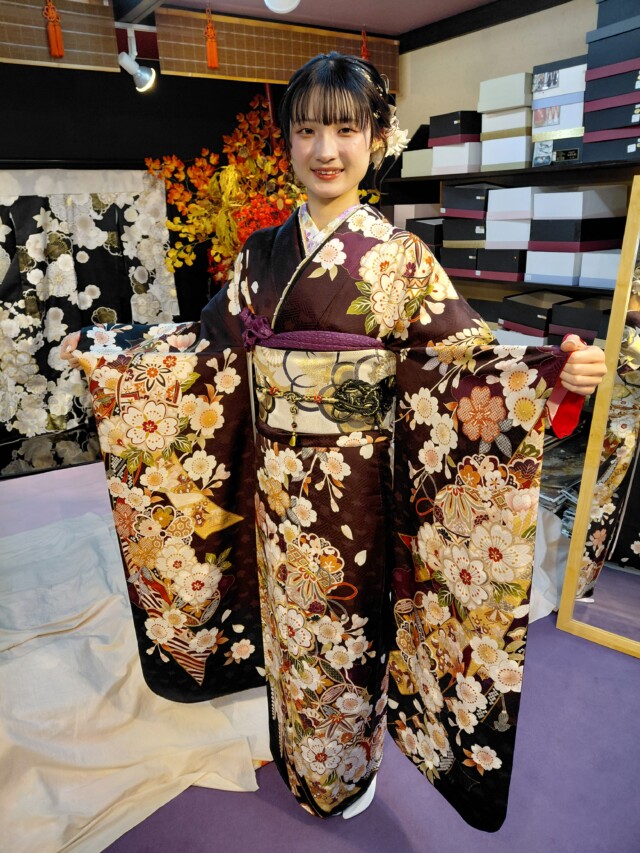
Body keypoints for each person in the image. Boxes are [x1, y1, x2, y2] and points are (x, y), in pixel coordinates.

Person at [62, 53, 606, 829]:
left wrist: (549, 371)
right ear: (287, 140)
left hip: (357, 489)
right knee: (291, 626)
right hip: (277, 488)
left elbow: (464, 362)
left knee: (351, 627)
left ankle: (348, 772)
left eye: (346, 130)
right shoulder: (259, 255)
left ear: (376, 139)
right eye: (308, 130)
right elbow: (200, 350)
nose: (326, 149)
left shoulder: (400, 258)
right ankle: (299, 758)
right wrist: (112, 356)